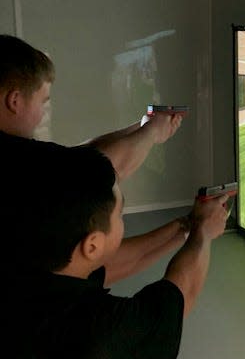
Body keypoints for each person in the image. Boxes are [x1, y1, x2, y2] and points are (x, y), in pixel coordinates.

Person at [1, 140, 229, 359]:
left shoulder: (24, 270)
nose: (122, 221)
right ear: (91, 244)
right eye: (120, 214)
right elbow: (181, 292)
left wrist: (186, 226)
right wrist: (204, 236)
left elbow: (115, 261)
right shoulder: (105, 332)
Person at [0, 33, 193, 283]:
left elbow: (79, 159)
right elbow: (95, 173)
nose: (41, 115)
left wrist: (144, 126)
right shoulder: (16, 158)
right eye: (42, 102)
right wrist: (153, 132)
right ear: (15, 101)